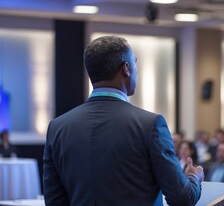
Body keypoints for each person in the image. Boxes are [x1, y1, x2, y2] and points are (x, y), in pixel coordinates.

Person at [43, 36, 204, 206]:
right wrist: (194, 176)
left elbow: (54, 201)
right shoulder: (150, 125)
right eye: (135, 63)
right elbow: (182, 199)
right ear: (126, 68)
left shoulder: (57, 128)